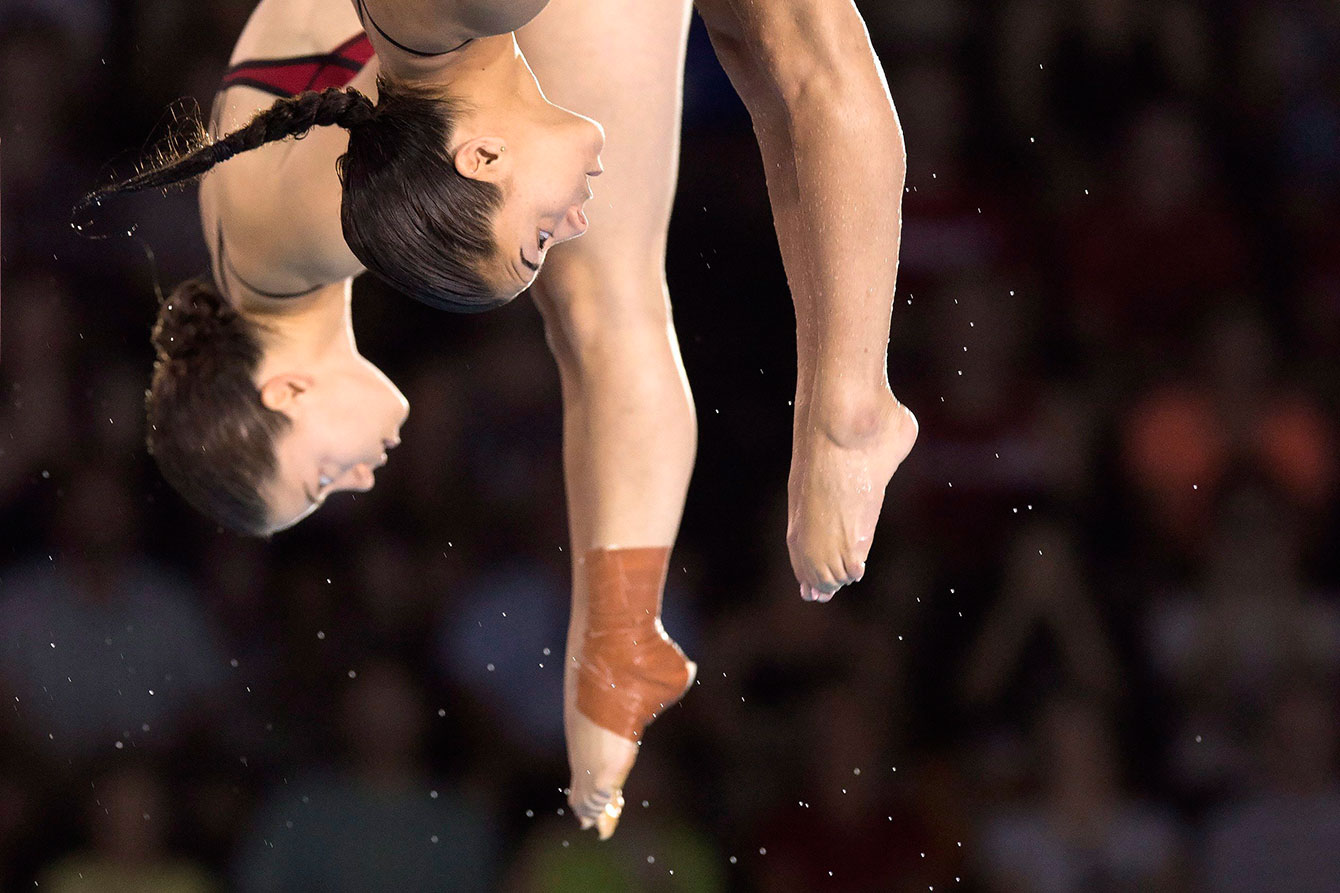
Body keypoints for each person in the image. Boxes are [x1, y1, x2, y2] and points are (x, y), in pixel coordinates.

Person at [83, 0, 919, 837]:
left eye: (321, 477)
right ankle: (629, 629)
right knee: (749, 75)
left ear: (284, 396)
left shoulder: (289, 233)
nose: (361, 477)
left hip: (444, 36)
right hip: (431, 42)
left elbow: (594, 321)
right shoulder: (253, 240)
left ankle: (834, 421)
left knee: (604, 295)